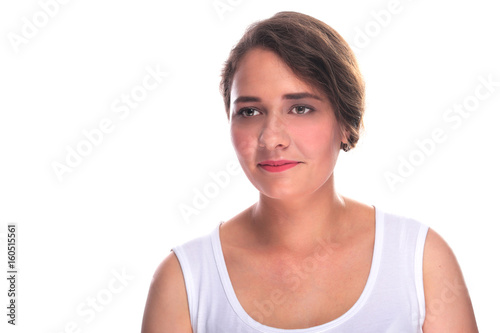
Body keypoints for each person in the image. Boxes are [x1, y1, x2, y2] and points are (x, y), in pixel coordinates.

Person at [141, 11, 478, 332]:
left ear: (345, 122)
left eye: (300, 108)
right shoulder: (185, 281)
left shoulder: (419, 261)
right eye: (250, 111)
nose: (271, 138)